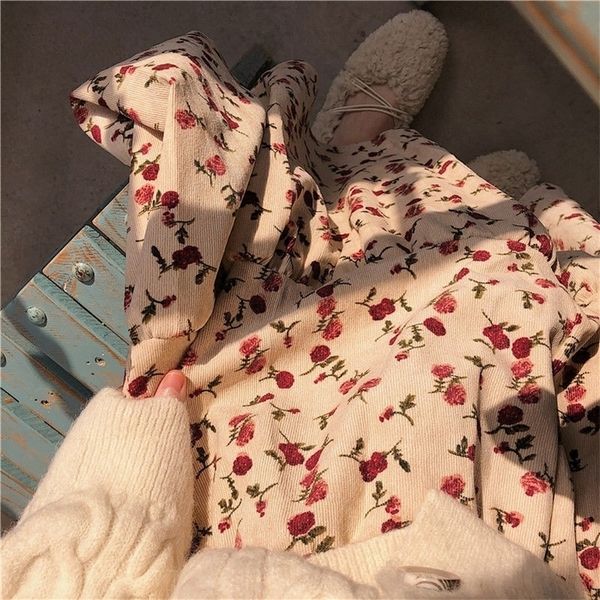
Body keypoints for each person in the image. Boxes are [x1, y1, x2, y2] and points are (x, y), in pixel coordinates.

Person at [2, 10, 598, 599]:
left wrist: (120, 485)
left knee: (270, 283)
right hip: (504, 571)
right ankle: (472, 216)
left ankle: (355, 151)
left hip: (215, 534)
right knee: (493, 326)